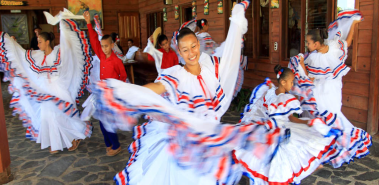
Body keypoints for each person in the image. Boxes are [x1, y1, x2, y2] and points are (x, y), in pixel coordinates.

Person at [89, 2, 284, 184]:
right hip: (186, 141)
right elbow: (158, 88)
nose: (191, 53)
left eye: (193, 47)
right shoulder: (177, 73)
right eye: (185, 50)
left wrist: (237, 16)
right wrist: (128, 92)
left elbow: (230, 54)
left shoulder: (208, 65)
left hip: (208, 137)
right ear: (179, 54)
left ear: (198, 45)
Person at [235, 62, 356, 184]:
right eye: (292, 82)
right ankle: (306, 168)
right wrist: (308, 122)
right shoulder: (285, 98)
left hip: (268, 127)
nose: (292, 85)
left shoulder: (269, 92)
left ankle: (307, 167)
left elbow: (260, 108)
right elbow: (292, 118)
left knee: (275, 154)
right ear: (283, 82)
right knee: (296, 147)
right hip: (280, 129)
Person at [0, 10, 93, 154]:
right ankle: (55, 142)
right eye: (38, 42)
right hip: (45, 89)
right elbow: (22, 55)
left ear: (47, 42)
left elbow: (68, 47)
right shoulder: (37, 56)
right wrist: (10, 42)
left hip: (58, 87)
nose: (38, 44)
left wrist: (62, 26)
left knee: (62, 115)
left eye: (40, 42)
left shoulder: (58, 52)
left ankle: (74, 137)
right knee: (47, 115)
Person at [84, 11, 127, 156]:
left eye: (106, 46)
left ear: (112, 45)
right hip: (101, 93)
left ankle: (116, 145)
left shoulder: (117, 61)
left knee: (107, 122)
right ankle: (109, 143)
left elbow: (123, 76)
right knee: (102, 122)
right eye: (102, 46)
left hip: (111, 94)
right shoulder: (101, 55)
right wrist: (88, 23)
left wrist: (117, 91)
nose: (103, 48)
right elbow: (94, 40)